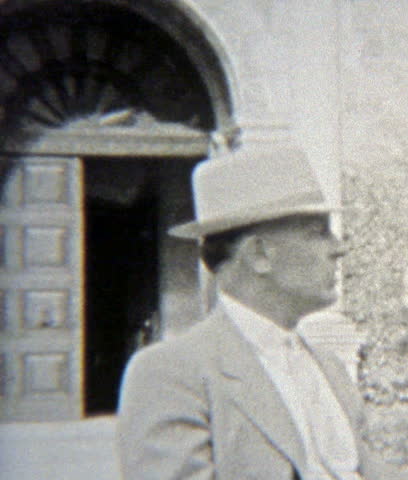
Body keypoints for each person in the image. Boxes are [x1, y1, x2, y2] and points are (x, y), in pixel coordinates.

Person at [117, 147, 381, 480]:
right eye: (317, 232)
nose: (339, 248)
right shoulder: (171, 373)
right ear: (259, 255)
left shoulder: (329, 368)